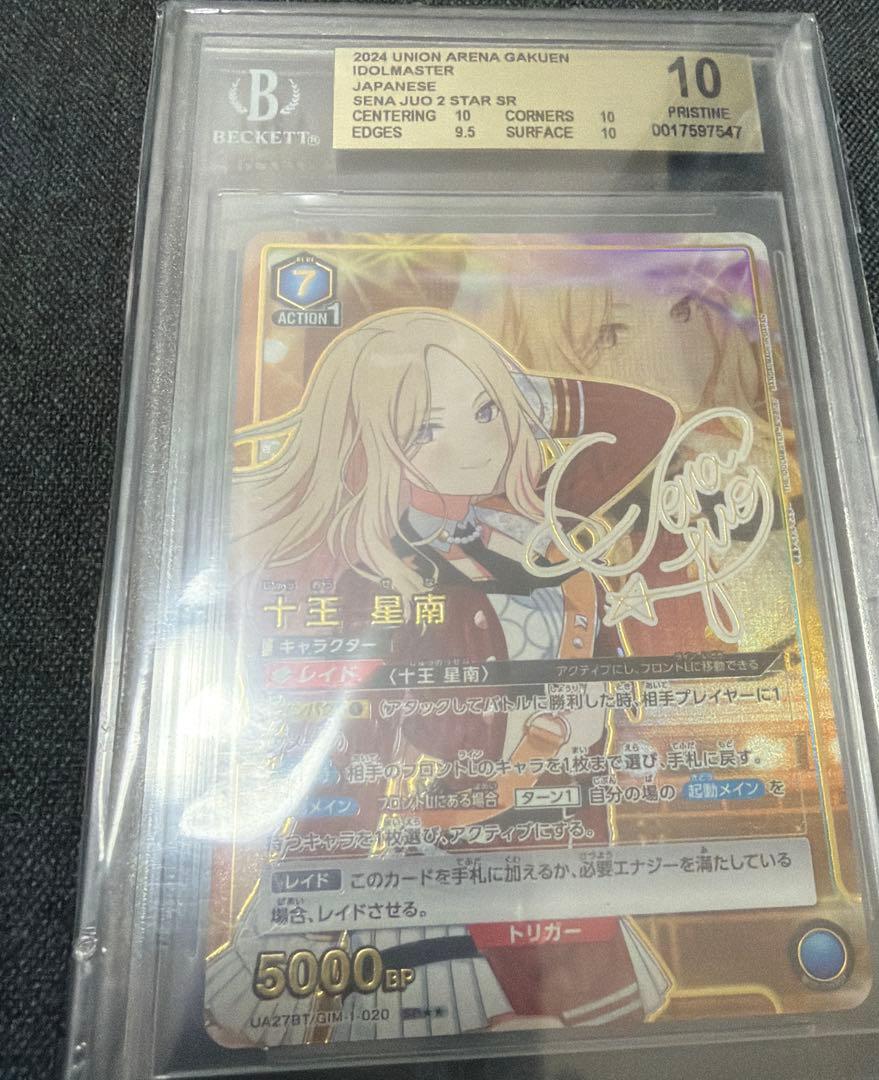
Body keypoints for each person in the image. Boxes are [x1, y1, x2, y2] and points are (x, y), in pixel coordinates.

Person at [208, 308, 679, 1043]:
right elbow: (349, 768)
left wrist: (509, 391)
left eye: (487, 413)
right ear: (373, 443)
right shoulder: (377, 582)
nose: (476, 442)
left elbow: (645, 422)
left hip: (563, 870)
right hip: (449, 884)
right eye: (428, 428)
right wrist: (285, 939)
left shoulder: (527, 516)